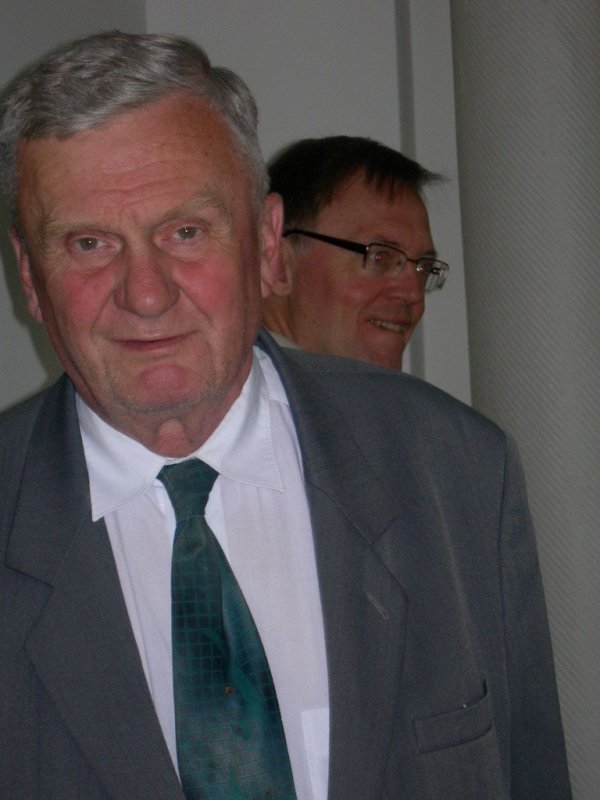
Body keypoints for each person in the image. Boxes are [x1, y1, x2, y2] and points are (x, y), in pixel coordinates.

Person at [0, 31, 570, 800]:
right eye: (89, 243)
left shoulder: (456, 469)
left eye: (186, 232)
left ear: (268, 246)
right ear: (30, 277)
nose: (146, 294)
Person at [262, 136, 447, 369]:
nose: (413, 294)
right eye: (379, 257)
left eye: (424, 268)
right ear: (277, 264)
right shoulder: (231, 389)